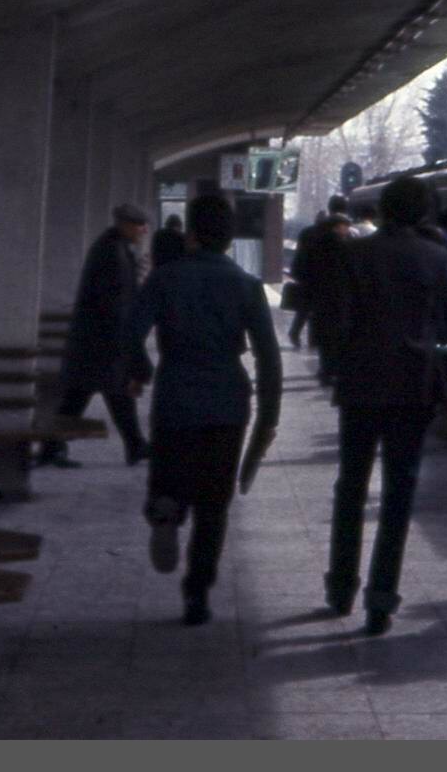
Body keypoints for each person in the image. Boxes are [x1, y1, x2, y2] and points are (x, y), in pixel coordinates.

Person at [125, 193, 282, 625]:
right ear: (230, 239)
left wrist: (141, 369)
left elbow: (130, 333)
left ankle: (166, 508)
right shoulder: (247, 285)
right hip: (227, 401)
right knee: (214, 502)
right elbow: (268, 357)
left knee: (170, 470)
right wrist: (269, 415)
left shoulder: (164, 279)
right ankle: (197, 591)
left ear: (191, 234)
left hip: (175, 392)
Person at [324, 175, 447, 633]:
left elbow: (337, 322)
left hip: (361, 384)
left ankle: (340, 588)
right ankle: (381, 600)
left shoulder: (354, 253)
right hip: (412, 387)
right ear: (422, 213)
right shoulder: (437, 258)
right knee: (399, 491)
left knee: (351, 485)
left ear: (383, 209)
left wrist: (340, 364)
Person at [45, 204, 153, 468]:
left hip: (95, 341)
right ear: (125, 225)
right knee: (94, 395)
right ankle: (134, 445)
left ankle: (134, 444)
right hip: (99, 341)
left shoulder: (113, 247)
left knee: (101, 394)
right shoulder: (112, 253)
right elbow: (115, 304)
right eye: (139, 226)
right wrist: (126, 341)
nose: (143, 231)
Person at [286, 197, 350, 350]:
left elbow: (301, 254)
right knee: (321, 309)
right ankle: (313, 340)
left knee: (305, 307)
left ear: (330, 207)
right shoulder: (343, 232)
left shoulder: (309, 231)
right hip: (330, 278)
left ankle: (296, 332)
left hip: (308, 275)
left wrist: (297, 272)